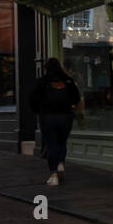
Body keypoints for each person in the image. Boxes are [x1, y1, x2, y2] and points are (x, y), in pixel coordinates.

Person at [28, 58, 81, 186]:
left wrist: (39, 111)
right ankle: (61, 164)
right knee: (62, 142)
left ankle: (53, 174)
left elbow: (32, 100)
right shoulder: (68, 81)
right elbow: (76, 98)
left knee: (52, 144)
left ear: (46, 69)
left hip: (48, 117)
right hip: (66, 117)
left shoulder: (41, 82)